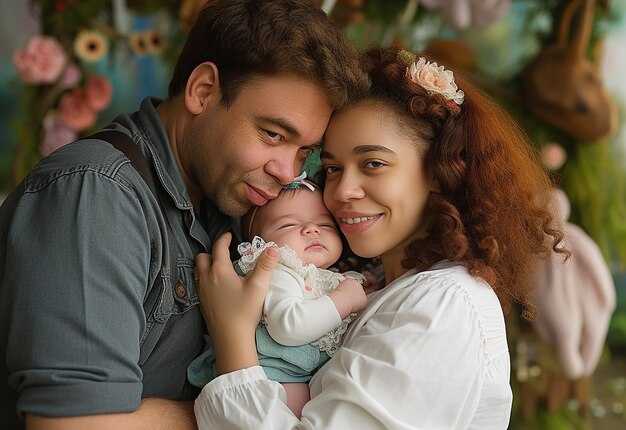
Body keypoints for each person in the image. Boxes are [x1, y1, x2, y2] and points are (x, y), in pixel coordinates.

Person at [0, 1, 369, 428]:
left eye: (303, 151)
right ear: (203, 90)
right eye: (272, 134)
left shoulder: (235, 199)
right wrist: (248, 408)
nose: (287, 172)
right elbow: (72, 426)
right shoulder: (96, 194)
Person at [192, 46, 568, 429]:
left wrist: (233, 337)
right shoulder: (389, 288)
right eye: (333, 168)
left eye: (373, 163)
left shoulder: (440, 307)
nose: (342, 191)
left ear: (439, 171)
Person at [187, 176, 368, 417]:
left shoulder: (309, 276)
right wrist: (344, 300)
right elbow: (288, 325)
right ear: (258, 244)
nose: (311, 229)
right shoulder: (280, 270)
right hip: (269, 376)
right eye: (288, 225)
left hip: (286, 375)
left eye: (325, 224)